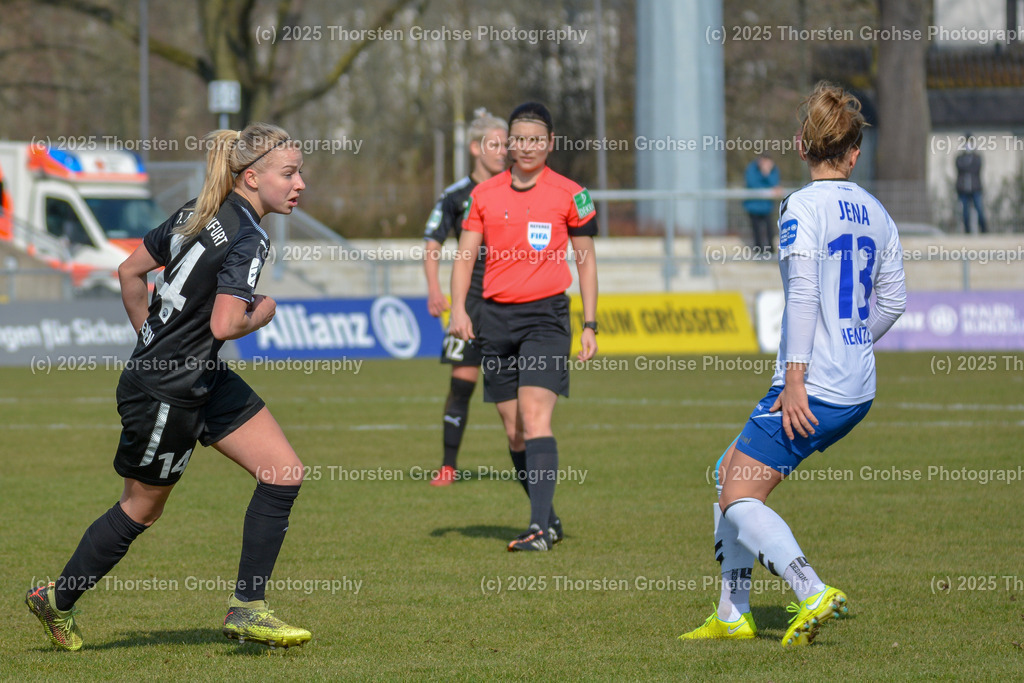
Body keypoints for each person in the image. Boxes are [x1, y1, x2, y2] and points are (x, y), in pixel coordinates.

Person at [25, 123, 312, 651]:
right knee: (142, 508)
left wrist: (151, 340)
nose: (299, 184)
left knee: (283, 472)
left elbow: (129, 273)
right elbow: (227, 324)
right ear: (252, 177)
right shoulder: (249, 235)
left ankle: (248, 608)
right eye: (289, 173)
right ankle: (56, 599)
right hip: (167, 392)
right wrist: (263, 312)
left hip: (197, 374)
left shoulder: (195, 213)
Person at [679, 82, 906, 646]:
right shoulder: (878, 212)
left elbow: (803, 294)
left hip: (814, 383)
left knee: (737, 494)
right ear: (854, 154)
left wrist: (799, 378)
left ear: (801, 145)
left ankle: (812, 590)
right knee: (726, 469)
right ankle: (732, 614)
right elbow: (895, 302)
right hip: (855, 384)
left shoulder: (800, 207)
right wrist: (853, 342)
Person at [449, 101, 599, 552]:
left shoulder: (572, 194)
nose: (528, 147)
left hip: (546, 319)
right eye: (520, 139)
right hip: (494, 319)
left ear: (550, 144)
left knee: (536, 419)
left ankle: (536, 529)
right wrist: (458, 308)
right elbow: (464, 255)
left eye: (537, 139)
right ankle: (547, 518)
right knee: (514, 430)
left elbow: (586, 262)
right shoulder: (484, 195)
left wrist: (590, 323)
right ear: (508, 144)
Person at [422, 108, 509, 486]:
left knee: (517, 389)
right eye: (495, 144)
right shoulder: (456, 196)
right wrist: (435, 289)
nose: (502, 151)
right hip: (470, 303)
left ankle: (528, 463)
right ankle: (448, 465)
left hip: (510, 301)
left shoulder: (518, 190)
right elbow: (432, 243)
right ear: (476, 148)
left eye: (506, 144)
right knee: (462, 383)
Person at [743, 154, 781, 254]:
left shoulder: (773, 169)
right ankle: (758, 252)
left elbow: (775, 184)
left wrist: (767, 174)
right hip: (753, 206)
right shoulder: (751, 168)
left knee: (770, 230)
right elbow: (751, 184)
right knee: (756, 231)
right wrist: (763, 174)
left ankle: (771, 251)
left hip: (767, 206)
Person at [956, 135, 987, 234]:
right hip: (963, 189)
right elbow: (960, 168)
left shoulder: (977, 157)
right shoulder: (959, 157)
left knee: (979, 209)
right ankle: (967, 231)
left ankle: (984, 230)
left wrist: (967, 164)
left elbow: (975, 168)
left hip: (975, 188)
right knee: (965, 212)